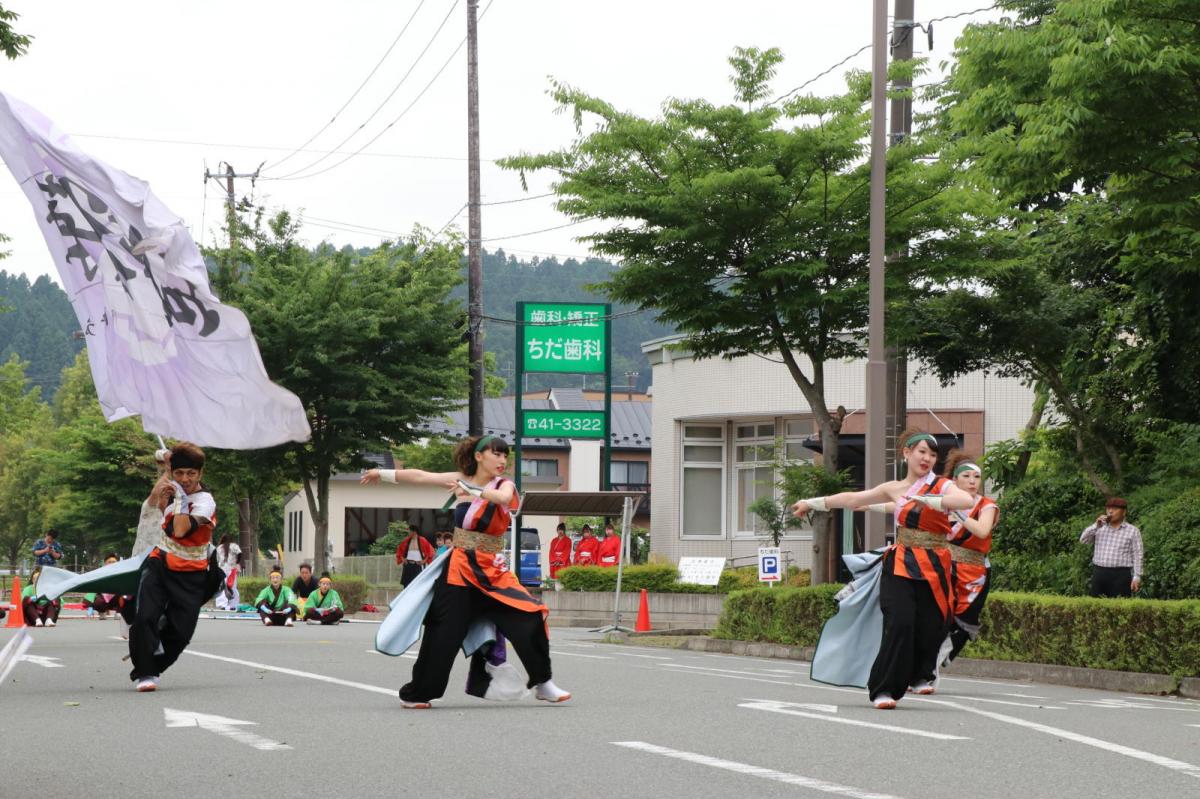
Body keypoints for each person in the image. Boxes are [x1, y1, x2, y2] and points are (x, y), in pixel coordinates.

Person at [361, 434, 569, 708]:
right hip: (459, 571)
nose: (502, 460)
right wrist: (382, 473)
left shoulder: (503, 484)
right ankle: (418, 693)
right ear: (479, 456)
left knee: (529, 615)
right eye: (496, 454)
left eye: (504, 455)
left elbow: (502, 498)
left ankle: (543, 682)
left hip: (492, 571)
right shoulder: (462, 478)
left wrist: (471, 489)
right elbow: (421, 476)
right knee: (443, 634)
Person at [792, 430, 974, 709]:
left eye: (932, 454)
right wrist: (812, 503)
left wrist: (929, 499)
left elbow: (966, 501)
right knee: (900, 623)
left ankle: (919, 674)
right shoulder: (894, 488)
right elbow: (853, 499)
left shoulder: (942, 485)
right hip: (901, 563)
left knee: (932, 627)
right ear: (907, 453)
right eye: (921, 452)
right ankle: (884, 689)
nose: (927, 458)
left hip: (936, 566)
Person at [128, 442, 218, 692]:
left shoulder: (205, 502)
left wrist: (179, 497)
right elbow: (154, 500)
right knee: (144, 617)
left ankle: (153, 665)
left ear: (200, 473)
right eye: (179, 473)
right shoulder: (169, 490)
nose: (185, 479)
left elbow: (179, 529)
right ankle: (145, 672)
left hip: (193, 572)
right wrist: (166, 465)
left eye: (191, 473)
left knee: (180, 633)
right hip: (161, 563)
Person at [935, 452, 999, 673]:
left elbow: (982, 531)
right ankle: (925, 668)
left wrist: (957, 512)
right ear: (954, 480)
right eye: (966, 476)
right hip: (945, 566)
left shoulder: (986, 506)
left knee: (965, 620)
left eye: (977, 477)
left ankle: (939, 661)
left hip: (976, 573)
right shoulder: (943, 504)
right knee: (938, 616)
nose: (972, 481)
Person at [1080, 497, 1142, 598]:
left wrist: (1137, 576)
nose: (1110, 511)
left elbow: (1137, 554)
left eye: (1115, 509)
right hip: (1099, 573)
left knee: (1120, 605)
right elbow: (1083, 540)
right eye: (1108, 508)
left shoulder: (1133, 531)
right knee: (1096, 604)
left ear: (1124, 512)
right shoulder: (1099, 527)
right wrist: (1096, 525)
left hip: (1121, 575)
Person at [214, 534, 243, 611]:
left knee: (221, 587)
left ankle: (222, 604)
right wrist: (237, 562)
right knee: (232, 587)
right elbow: (240, 553)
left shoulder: (219, 547)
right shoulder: (234, 546)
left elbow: (216, 559)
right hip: (232, 569)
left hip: (221, 569)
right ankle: (233, 604)